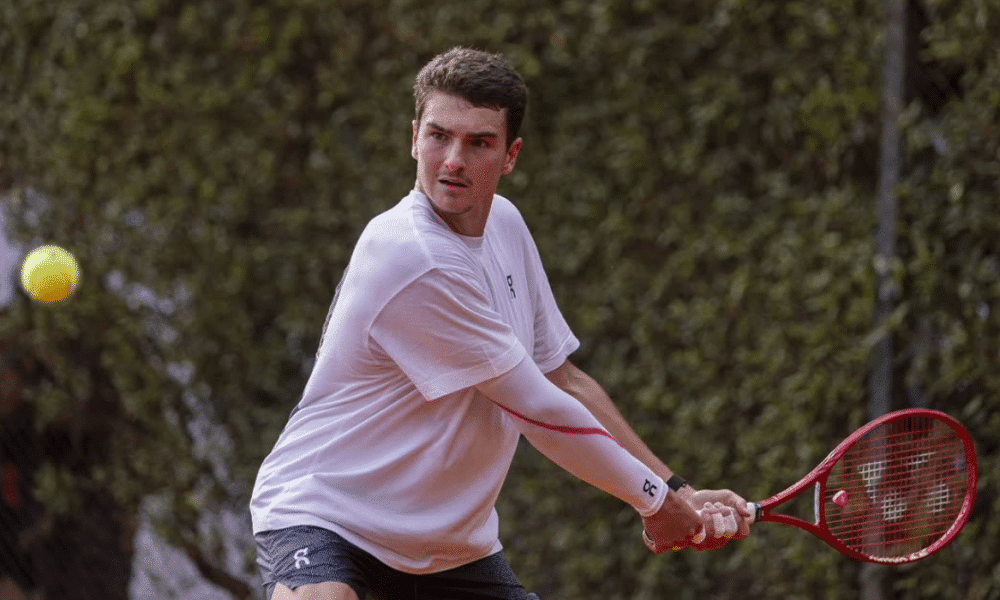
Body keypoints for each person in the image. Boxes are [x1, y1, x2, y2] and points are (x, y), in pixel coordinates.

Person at [250, 47, 752, 600]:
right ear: (414, 138)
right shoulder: (412, 254)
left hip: (447, 550)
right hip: (326, 513)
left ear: (510, 155)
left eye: (479, 143)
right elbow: (537, 408)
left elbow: (562, 379)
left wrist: (677, 489)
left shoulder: (506, 226)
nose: (453, 160)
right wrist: (655, 501)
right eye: (439, 136)